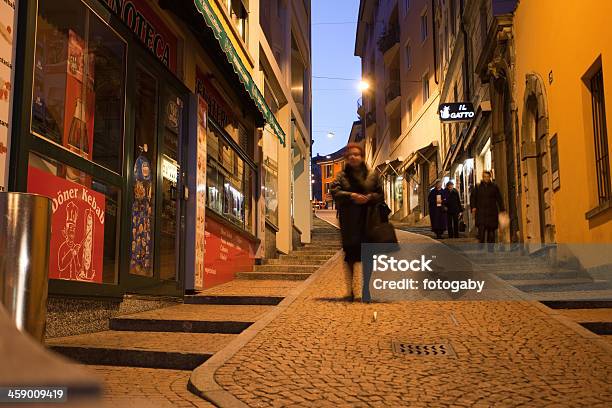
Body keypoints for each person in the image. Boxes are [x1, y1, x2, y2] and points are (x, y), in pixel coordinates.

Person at [330, 143, 383, 301]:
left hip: (368, 221)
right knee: (350, 257)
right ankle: (351, 290)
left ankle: (366, 289)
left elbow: (381, 194)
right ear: (347, 159)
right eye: (350, 155)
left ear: (362, 157)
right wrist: (352, 195)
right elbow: (335, 192)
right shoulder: (341, 176)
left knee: (368, 256)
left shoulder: (372, 175)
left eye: (356, 154)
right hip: (349, 223)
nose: (353, 157)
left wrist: (369, 197)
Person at [470, 171, 505, 250]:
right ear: (482, 177)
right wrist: (473, 207)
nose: (486, 178)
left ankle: (490, 249)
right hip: (481, 213)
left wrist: (502, 209)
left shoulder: (494, 187)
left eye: (488, 177)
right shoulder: (478, 187)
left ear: (490, 177)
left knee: (491, 233)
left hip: (491, 213)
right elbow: (473, 198)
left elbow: (499, 198)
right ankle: (481, 247)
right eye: (485, 176)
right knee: (481, 232)